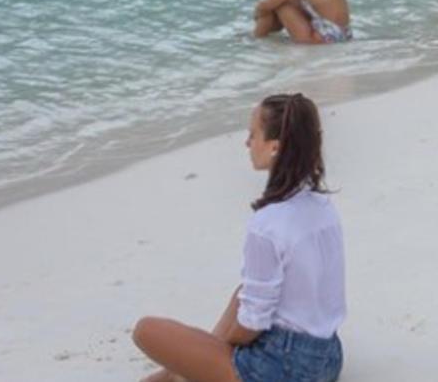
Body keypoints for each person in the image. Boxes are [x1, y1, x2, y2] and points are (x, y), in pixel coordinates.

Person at [133, 93, 346, 382]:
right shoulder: (322, 207)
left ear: (275, 147)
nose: (247, 143)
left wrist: (219, 346)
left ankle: (177, 374)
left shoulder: (267, 224)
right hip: (328, 358)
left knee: (146, 330)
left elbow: (252, 324)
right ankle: (176, 375)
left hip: (283, 369)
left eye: (253, 134)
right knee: (243, 292)